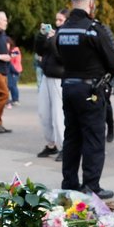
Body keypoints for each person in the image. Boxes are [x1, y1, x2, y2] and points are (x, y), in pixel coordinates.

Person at [54, 0, 114, 200]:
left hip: (69, 87)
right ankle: (91, 186)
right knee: (93, 138)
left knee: (72, 136)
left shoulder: (62, 30)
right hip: (90, 90)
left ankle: (70, 183)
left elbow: (57, 55)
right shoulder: (93, 30)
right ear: (91, 3)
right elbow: (113, 63)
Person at [34, 9, 68, 159]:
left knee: (58, 115)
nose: (57, 23)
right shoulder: (53, 34)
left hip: (58, 77)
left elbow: (61, 56)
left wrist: (54, 39)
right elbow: (40, 51)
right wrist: (42, 36)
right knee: (43, 113)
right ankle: (51, 144)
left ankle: (65, 147)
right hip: (46, 75)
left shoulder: (66, 35)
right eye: (56, 19)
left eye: (60, 20)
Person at [7, 37, 22, 106]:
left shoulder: (16, 50)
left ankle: (15, 99)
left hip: (15, 69)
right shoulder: (9, 51)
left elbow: (11, 58)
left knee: (13, 85)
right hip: (10, 70)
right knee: (10, 85)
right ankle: (12, 99)